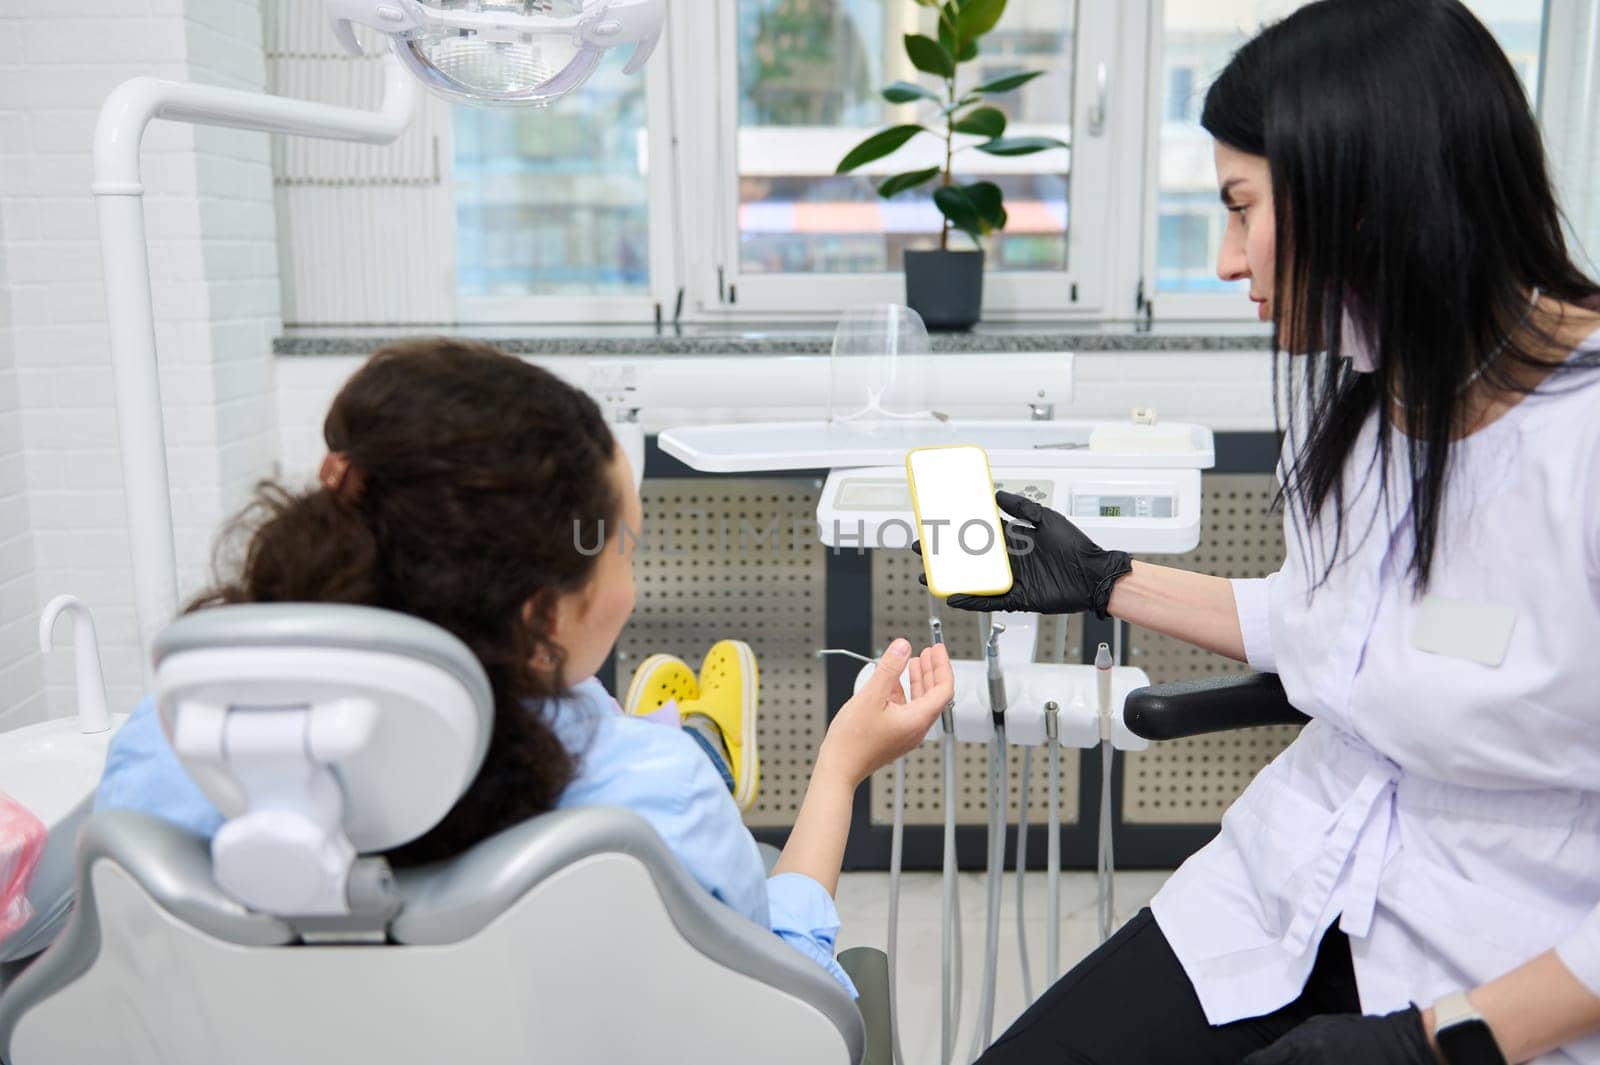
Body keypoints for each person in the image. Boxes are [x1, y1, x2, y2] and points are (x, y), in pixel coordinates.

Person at [945, 2, 1600, 1062]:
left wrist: (1436, 1045)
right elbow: (1328, 627)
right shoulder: (1379, 388)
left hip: (1510, 961)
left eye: (1241, 209)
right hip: (1296, 877)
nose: (1224, 257)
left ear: (1364, 197)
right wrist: (1106, 578)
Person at [95, 337, 954, 994]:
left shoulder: (164, 751)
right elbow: (787, 1009)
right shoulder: (646, 800)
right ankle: (706, 740)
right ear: (545, 609)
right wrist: (839, 769)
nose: (633, 575)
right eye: (630, 543)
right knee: (678, 759)